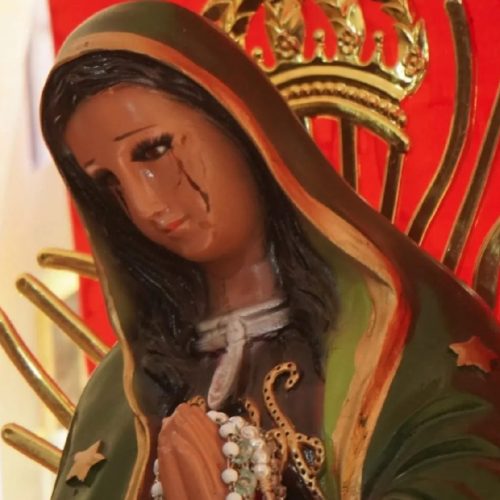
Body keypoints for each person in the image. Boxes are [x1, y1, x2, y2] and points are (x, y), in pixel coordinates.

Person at [41, 2, 500, 499]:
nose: (144, 205)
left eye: (154, 149)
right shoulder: (120, 397)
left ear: (238, 122)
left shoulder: (403, 335)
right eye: (108, 183)